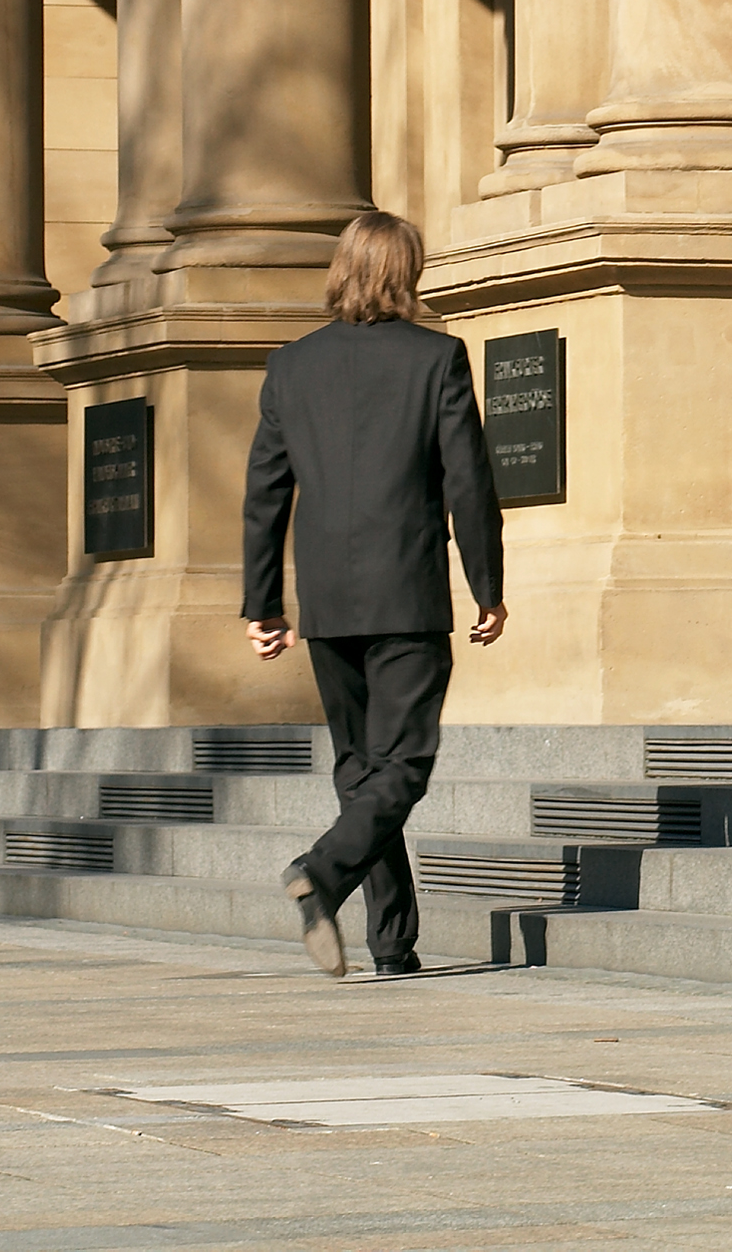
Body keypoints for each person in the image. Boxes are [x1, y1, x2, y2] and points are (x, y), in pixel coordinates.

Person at [241, 209, 506, 978]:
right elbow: (466, 481)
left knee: (361, 768)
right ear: (408, 272)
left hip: (328, 597)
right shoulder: (437, 357)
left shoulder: (291, 365)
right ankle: (322, 873)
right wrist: (486, 585)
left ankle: (392, 944)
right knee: (405, 761)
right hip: (405, 590)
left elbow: (265, 491)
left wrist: (264, 604)